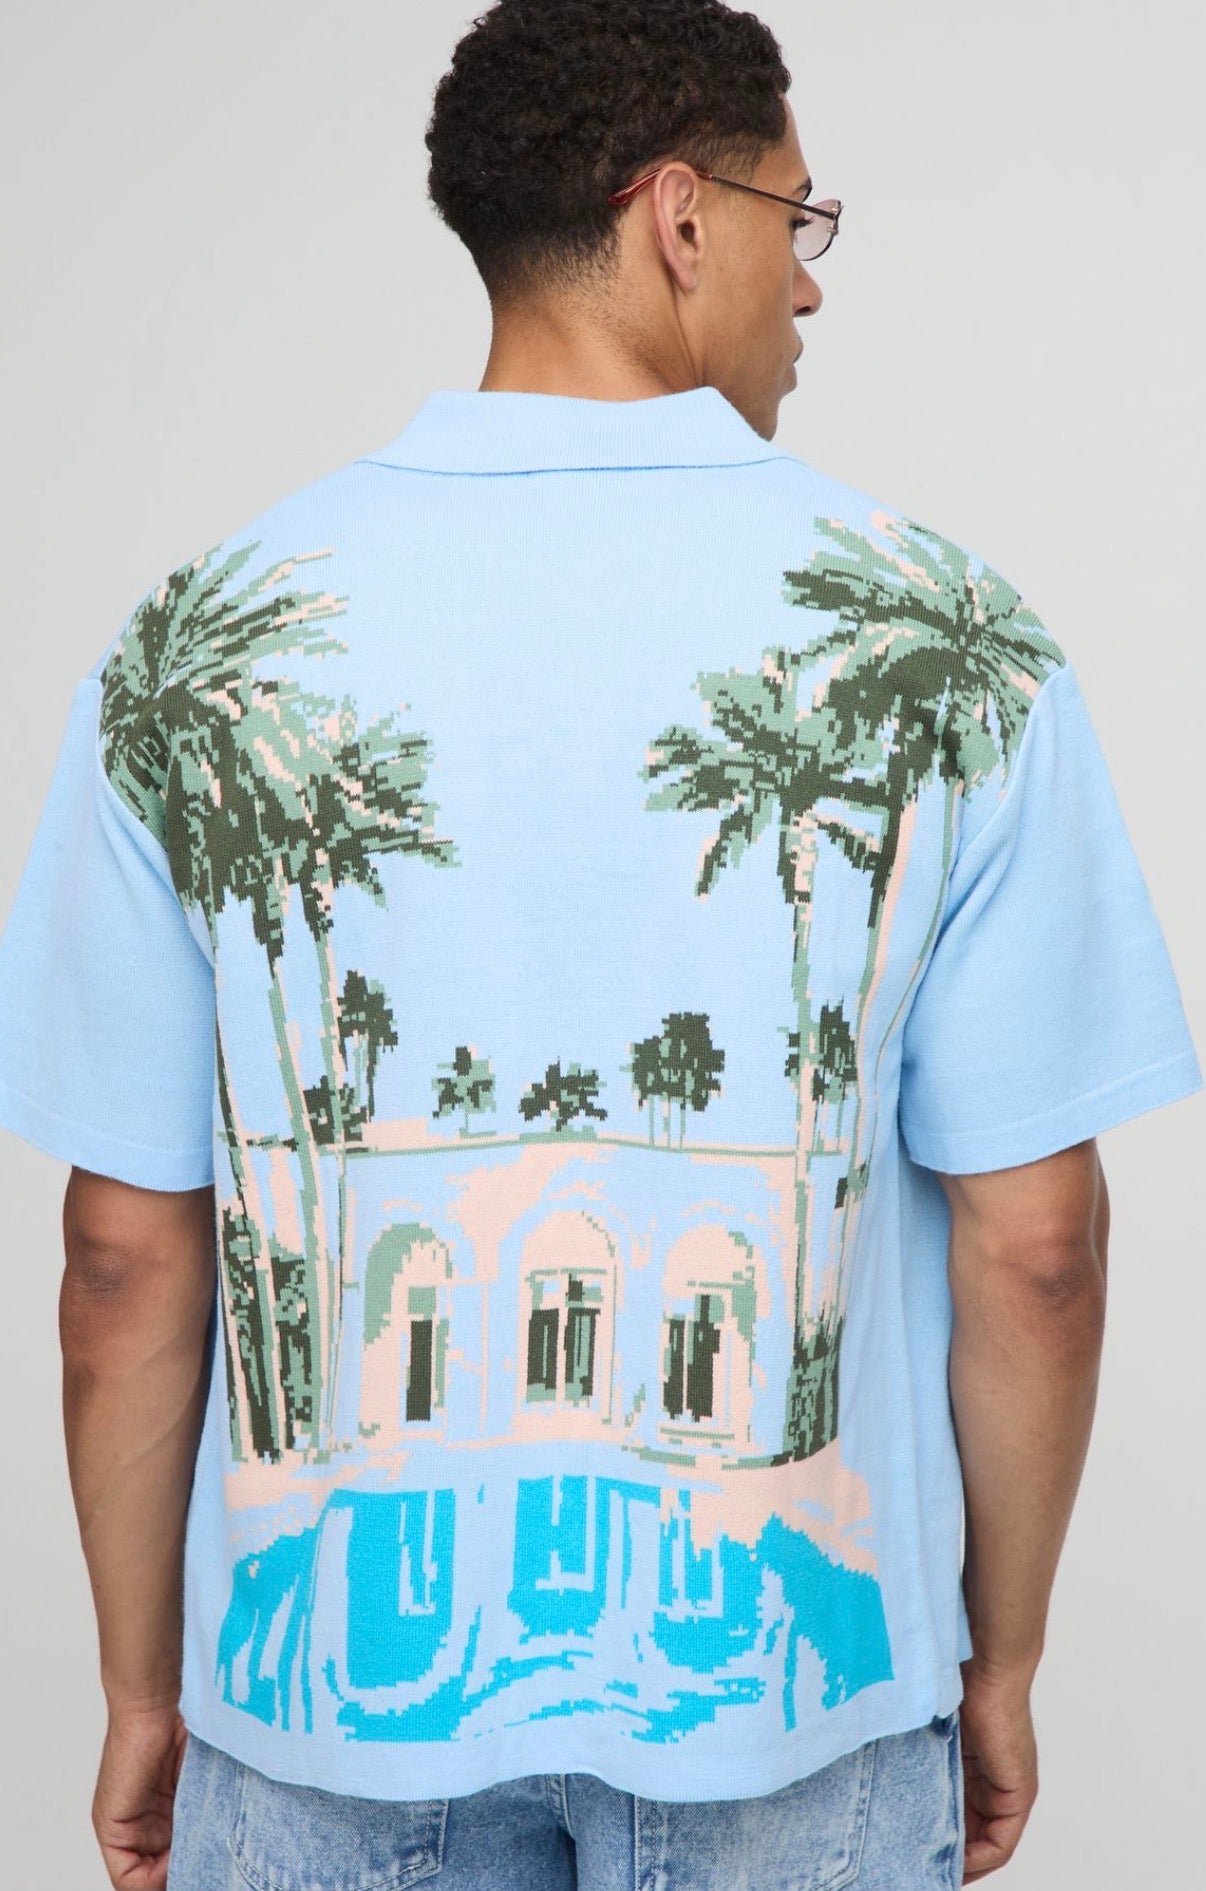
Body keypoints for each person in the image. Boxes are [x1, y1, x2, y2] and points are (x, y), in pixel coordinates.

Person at [0, 2, 1200, 1887]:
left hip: (316, 1733)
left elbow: (119, 1256)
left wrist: (146, 1687)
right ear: (680, 218)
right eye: (798, 220)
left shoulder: (199, 648)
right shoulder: (950, 643)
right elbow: (1037, 1247)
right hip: (802, 1728)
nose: (811, 285)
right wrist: (997, 1658)